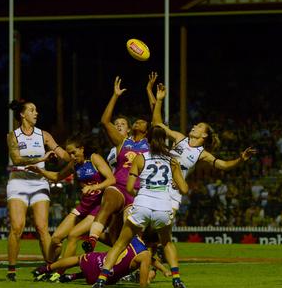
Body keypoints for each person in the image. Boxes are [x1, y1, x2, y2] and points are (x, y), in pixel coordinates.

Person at [92, 125, 188, 288]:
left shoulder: (140, 158)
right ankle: (177, 279)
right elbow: (184, 189)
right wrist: (173, 183)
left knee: (120, 244)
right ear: (164, 140)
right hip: (163, 207)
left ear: (148, 140)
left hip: (142, 205)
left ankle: (101, 279)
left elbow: (129, 188)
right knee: (167, 244)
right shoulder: (172, 160)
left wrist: (141, 195)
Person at [152, 83, 256, 211]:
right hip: (157, 182)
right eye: (196, 125)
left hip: (175, 189)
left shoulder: (202, 154)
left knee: (164, 228)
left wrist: (240, 159)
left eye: (199, 126)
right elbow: (157, 124)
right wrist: (160, 100)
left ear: (205, 134)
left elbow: (223, 165)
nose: (195, 126)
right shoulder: (179, 138)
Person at [26, 134, 115, 272]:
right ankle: (49, 266)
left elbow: (111, 179)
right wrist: (40, 171)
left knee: (73, 235)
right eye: (69, 154)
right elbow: (56, 177)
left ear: (82, 149)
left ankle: (59, 271)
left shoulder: (94, 158)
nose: (72, 156)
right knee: (56, 238)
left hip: (97, 208)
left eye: (74, 152)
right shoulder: (74, 164)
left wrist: (94, 187)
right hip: (83, 206)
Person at [82, 77, 150, 253]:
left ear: (147, 130)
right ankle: (92, 240)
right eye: (135, 120)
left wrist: (152, 96)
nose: (138, 121)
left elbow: (157, 120)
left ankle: (136, 262)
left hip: (137, 193)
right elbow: (105, 121)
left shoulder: (150, 145)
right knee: (106, 206)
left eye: (142, 121)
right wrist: (115, 95)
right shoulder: (122, 142)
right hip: (118, 186)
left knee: (129, 232)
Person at [6, 99, 71, 281]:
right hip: (18, 182)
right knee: (17, 228)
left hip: (39, 183)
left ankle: (50, 269)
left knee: (42, 227)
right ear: (22, 114)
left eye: (36, 110)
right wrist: (40, 158)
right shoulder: (13, 136)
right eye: (32, 110)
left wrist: (75, 156)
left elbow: (62, 154)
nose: (36, 113)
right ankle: (12, 270)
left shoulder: (44, 135)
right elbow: (17, 160)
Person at [33, 236, 152, 287]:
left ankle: (44, 269)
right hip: (104, 279)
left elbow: (111, 238)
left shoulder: (132, 236)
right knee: (116, 273)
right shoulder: (145, 255)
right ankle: (72, 276)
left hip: (98, 263)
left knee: (77, 259)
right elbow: (143, 283)